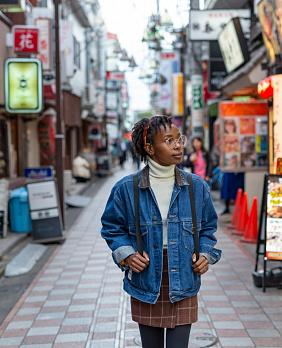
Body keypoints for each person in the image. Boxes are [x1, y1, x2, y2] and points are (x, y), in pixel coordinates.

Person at [101, 115, 222, 348]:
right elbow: (111, 227)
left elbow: (208, 227)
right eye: (168, 140)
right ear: (149, 147)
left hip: (184, 276)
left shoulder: (196, 186)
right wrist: (126, 254)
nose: (178, 145)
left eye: (179, 139)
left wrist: (205, 254)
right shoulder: (127, 188)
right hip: (146, 279)